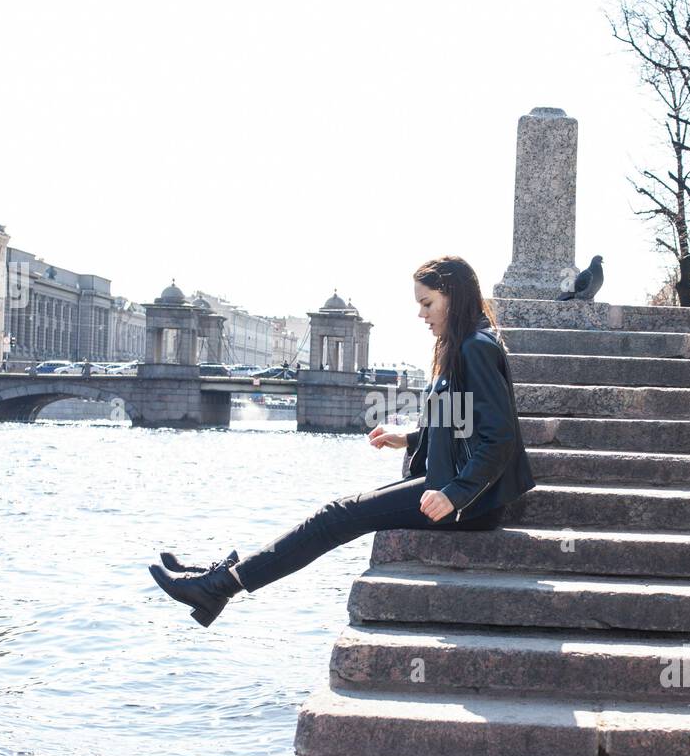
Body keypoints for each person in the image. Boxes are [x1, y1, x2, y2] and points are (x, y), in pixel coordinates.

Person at [148, 255, 536, 628]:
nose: (421, 314)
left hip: (470, 505)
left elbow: (499, 437)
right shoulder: (466, 344)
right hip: (459, 488)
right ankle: (222, 579)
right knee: (338, 513)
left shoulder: (475, 348)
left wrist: (455, 493)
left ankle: (219, 587)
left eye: (428, 303)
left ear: (455, 296)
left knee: (336, 516)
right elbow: (464, 421)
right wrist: (412, 438)